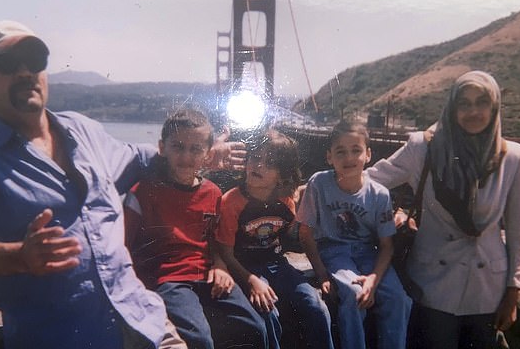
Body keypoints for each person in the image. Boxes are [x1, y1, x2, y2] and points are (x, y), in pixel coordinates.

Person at [0, 20, 245, 349]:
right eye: (9, 64)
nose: (25, 72)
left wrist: (204, 156)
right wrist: (19, 257)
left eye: (35, 61)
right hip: (62, 336)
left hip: (143, 320)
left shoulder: (83, 131)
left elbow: (141, 159)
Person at [367, 70, 520, 349]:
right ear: (452, 108)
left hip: (487, 289)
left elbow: (518, 231)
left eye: (482, 102)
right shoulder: (423, 147)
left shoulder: (513, 156)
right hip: (433, 285)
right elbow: (369, 180)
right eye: (463, 104)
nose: (473, 111)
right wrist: (314, 188)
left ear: (495, 107)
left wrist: (513, 290)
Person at [124, 109, 268, 349]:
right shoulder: (144, 191)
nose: (186, 157)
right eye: (178, 147)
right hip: (169, 280)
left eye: (196, 149)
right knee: (200, 339)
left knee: (255, 327)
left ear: (208, 153)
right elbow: (123, 245)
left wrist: (220, 267)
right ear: (162, 147)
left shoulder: (212, 192)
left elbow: (211, 238)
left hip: (206, 274)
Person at [216, 129, 335, 349]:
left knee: (316, 305)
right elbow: (226, 253)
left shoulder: (285, 200)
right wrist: (252, 281)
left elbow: (289, 233)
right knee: (267, 310)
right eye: (255, 158)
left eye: (269, 163)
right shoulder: (231, 202)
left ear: (282, 174)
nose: (258, 165)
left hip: (277, 265)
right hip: (245, 267)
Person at [297, 121, 412, 349]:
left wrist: (374, 279)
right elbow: (305, 233)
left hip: (369, 254)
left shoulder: (379, 194)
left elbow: (386, 244)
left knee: (398, 299)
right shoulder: (318, 184)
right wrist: (322, 275)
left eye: (356, 150)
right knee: (352, 293)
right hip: (334, 251)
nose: (349, 158)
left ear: (368, 154)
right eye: (341, 152)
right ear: (329, 156)